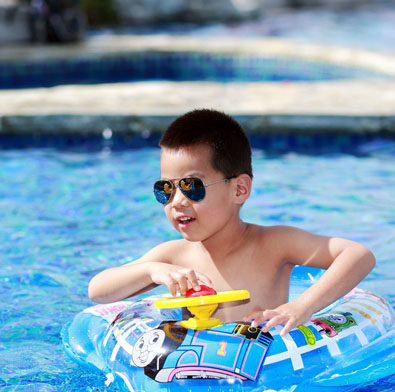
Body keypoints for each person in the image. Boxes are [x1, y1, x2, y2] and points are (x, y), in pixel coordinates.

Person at [88, 109, 375, 336]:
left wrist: (300, 307)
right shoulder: (173, 257)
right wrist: (152, 270)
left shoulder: (273, 244)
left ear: (239, 189)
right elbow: (98, 290)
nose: (177, 202)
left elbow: (358, 255)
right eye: (166, 189)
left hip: (268, 370)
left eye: (191, 186)